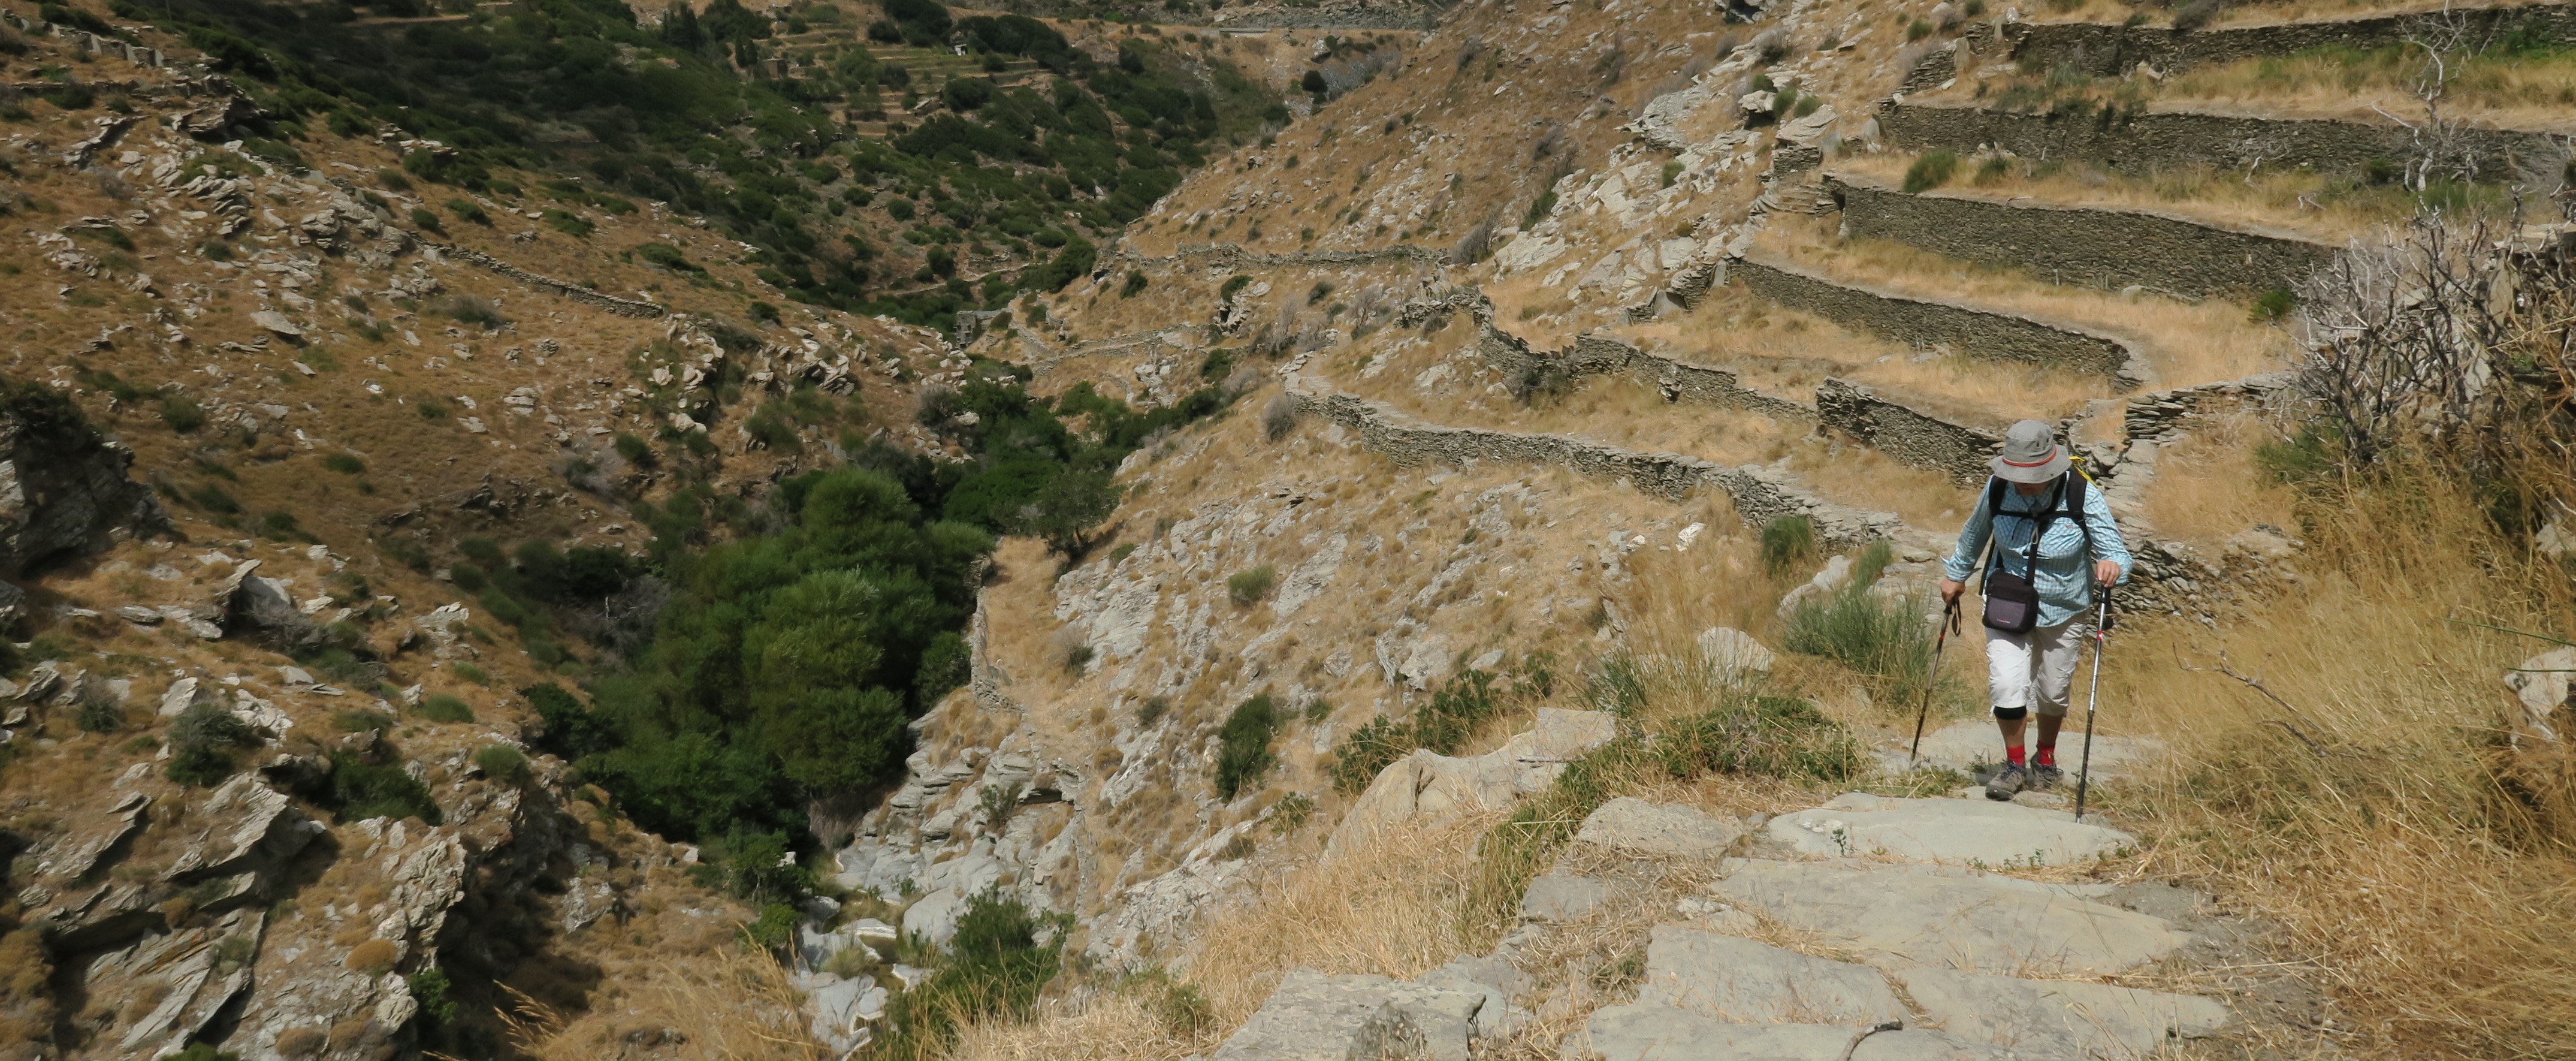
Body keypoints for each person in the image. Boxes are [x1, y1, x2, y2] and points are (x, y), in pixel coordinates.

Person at [1938, 420, 2131, 800]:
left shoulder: (2080, 493)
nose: (2022, 482)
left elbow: (2117, 551)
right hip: (2008, 604)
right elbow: (1975, 533)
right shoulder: (1997, 488)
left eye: (2032, 475)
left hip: (2065, 608)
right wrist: (1956, 575)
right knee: (2007, 685)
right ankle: (2013, 766)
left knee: (2053, 692)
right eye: (2016, 474)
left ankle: (2045, 760)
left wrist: (2112, 566)